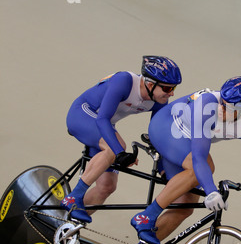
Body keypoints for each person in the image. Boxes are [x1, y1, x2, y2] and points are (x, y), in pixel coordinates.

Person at [130, 76, 241, 244]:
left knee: (185, 207)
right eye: (222, 102)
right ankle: (146, 216)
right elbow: (199, 157)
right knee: (206, 167)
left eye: (229, 107)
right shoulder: (207, 104)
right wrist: (211, 191)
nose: (221, 109)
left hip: (185, 140)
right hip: (166, 126)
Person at [61, 56, 182, 223]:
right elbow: (102, 118)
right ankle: (74, 197)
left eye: (173, 88)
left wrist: (163, 170)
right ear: (149, 84)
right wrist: (119, 152)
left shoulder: (159, 100)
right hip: (83, 115)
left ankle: (66, 225)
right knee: (116, 146)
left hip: (104, 126)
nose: (171, 93)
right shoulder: (124, 81)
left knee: (107, 187)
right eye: (167, 88)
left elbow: (157, 137)